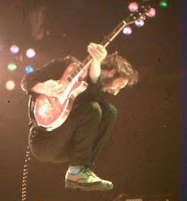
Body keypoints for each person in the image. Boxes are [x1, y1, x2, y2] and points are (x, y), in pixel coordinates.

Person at [21, 43, 138, 191]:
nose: (116, 92)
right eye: (119, 85)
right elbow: (27, 81)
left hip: (66, 146)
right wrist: (44, 87)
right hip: (44, 140)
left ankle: (81, 170)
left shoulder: (94, 88)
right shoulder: (64, 65)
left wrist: (95, 64)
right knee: (92, 109)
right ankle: (78, 171)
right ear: (111, 72)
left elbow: (95, 94)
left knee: (109, 111)